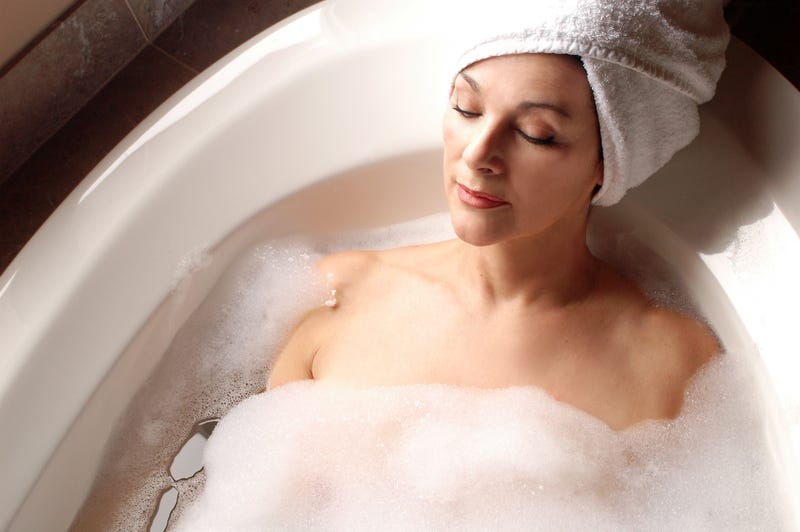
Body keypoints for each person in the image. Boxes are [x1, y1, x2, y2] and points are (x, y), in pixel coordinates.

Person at [267, 0, 729, 431]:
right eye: (467, 108)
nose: (478, 152)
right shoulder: (337, 292)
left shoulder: (673, 366)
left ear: (606, 162)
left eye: (535, 134)